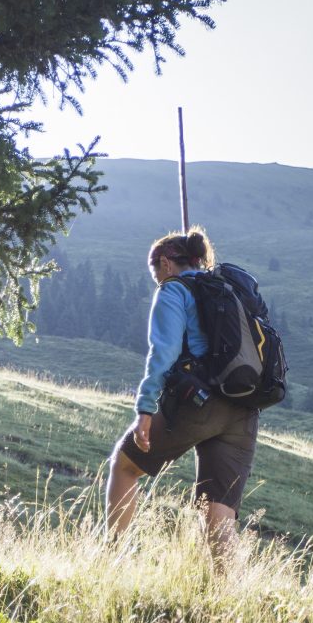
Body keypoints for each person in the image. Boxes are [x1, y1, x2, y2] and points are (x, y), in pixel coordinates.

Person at [104, 228, 258, 563]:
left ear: (164, 264)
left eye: (155, 273)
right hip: (245, 406)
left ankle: (110, 558)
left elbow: (164, 351)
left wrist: (145, 409)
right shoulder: (225, 289)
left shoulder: (173, 290)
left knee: (125, 464)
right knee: (218, 509)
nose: (157, 280)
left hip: (201, 402)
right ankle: (228, 595)